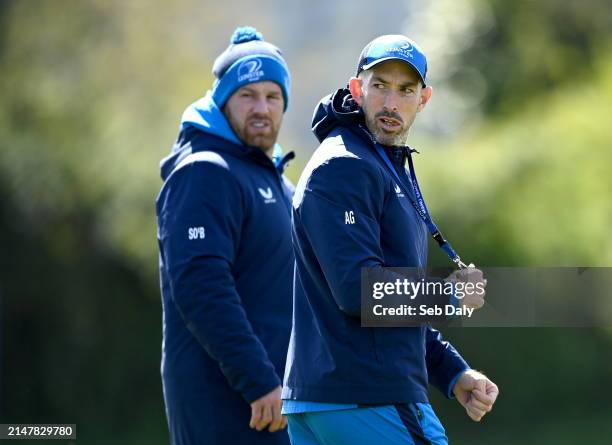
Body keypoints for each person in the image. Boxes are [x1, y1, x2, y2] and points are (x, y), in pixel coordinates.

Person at [282, 34, 499, 444]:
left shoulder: (378, 163)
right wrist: (449, 295)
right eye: (380, 85)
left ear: (424, 98)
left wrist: (452, 372)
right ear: (356, 89)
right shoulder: (345, 166)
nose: (391, 103)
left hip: (334, 401)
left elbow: (392, 299)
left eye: (406, 90)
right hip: (366, 398)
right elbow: (362, 292)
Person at [156, 26, 295, 445]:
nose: (261, 108)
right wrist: (257, 380)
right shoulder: (205, 171)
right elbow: (202, 287)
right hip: (231, 403)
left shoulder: (279, 183)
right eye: (247, 95)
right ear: (222, 102)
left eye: (272, 97)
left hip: (277, 404)